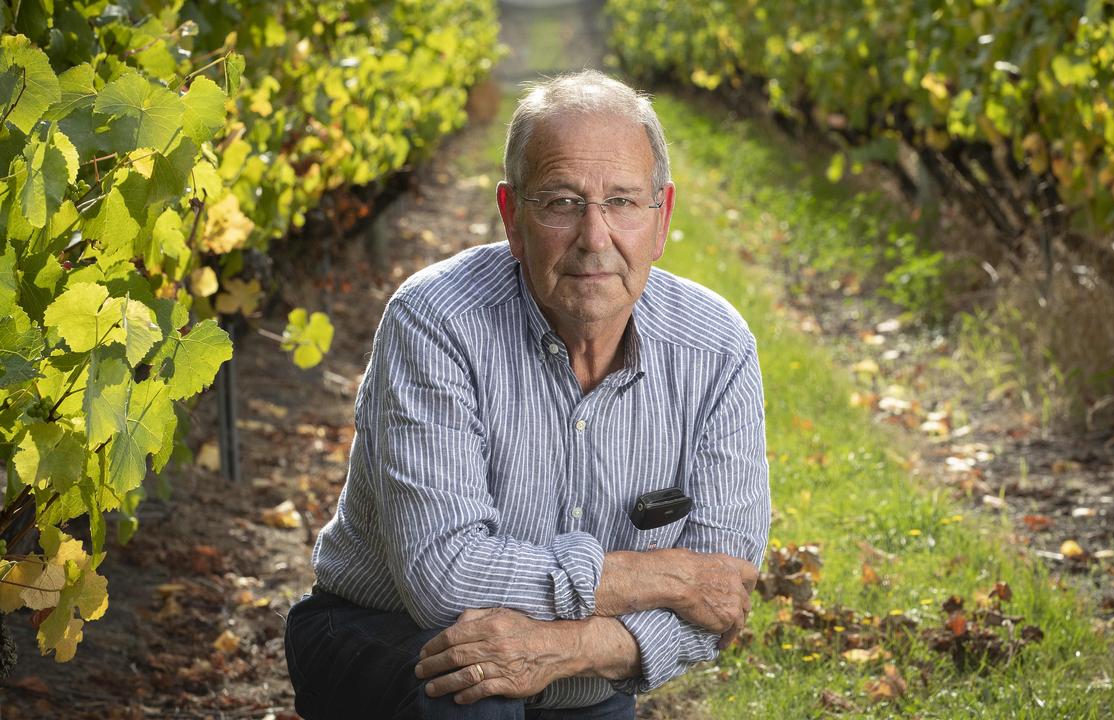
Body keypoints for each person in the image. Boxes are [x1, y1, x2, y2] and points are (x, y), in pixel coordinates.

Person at [284, 69, 770, 719]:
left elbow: (725, 595)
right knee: (472, 686)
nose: (594, 238)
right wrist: (671, 576)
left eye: (622, 202)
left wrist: (570, 648)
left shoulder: (717, 350)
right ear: (513, 218)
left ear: (662, 218)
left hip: (588, 678)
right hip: (385, 635)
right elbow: (443, 577)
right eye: (562, 202)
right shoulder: (436, 321)